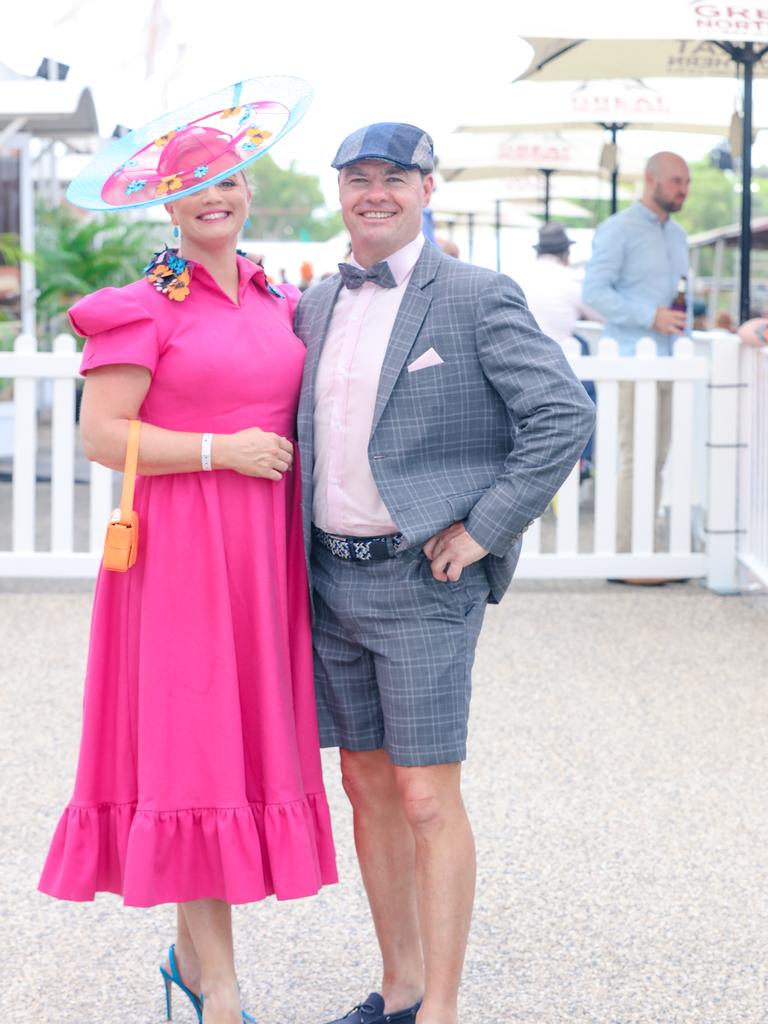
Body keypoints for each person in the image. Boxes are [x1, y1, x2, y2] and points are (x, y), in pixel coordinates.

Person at [38, 81, 336, 1024]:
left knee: (222, 757)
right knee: (194, 755)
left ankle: (187, 959)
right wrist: (220, 451)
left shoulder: (279, 298)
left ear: (249, 192)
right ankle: (221, 990)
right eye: (193, 183)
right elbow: (100, 435)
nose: (215, 194)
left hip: (263, 559)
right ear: (165, 204)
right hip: (177, 561)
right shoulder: (138, 307)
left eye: (229, 178)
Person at [294, 122, 595, 1024]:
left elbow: (560, 414)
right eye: (356, 178)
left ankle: (443, 1011)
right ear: (339, 191)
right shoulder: (314, 303)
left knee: (426, 793)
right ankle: (401, 986)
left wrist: (484, 527)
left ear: (429, 187)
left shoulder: (474, 295)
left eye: (394, 177)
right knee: (365, 781)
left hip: (423, 580)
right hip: (326, 577)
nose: (373, 192)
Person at [583, 151, 691, 564]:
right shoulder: (618, 229)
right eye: (677, 181)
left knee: (658, 457)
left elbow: (680, 298)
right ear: (651, 180)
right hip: (629, 359)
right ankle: (628, 552)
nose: (684, 190)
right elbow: (594, 292)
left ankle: (648, 545)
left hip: (669, 359)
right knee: (635, 457)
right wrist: (650, 317)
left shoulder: (678, 236)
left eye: (687, 183)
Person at [517, 221, 602, 476]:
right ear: (566, 254)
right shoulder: (571, 278)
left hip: (521, 362)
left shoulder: (520, 275)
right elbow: (600, 315)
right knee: (589, 400)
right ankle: (583, 459)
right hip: (560, 365)